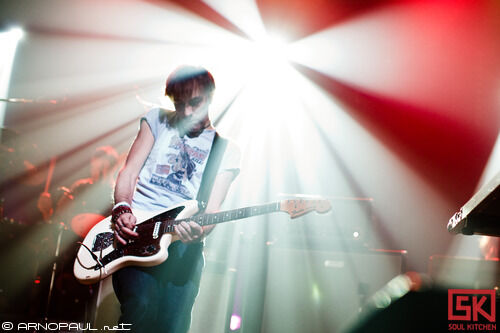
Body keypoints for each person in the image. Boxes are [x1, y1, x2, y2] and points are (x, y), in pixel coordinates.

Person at [111, 65, 240, 333]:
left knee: (173, 325)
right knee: (139, 309)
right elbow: (129, 171)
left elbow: (212, 209)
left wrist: (199, 230)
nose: (187, 112)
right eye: (180, 104)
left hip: (181, 245)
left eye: (195, 103)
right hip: (139, 233)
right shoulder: (157, 120)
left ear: (211, 96)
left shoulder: (226, 150)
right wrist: (122, 207)